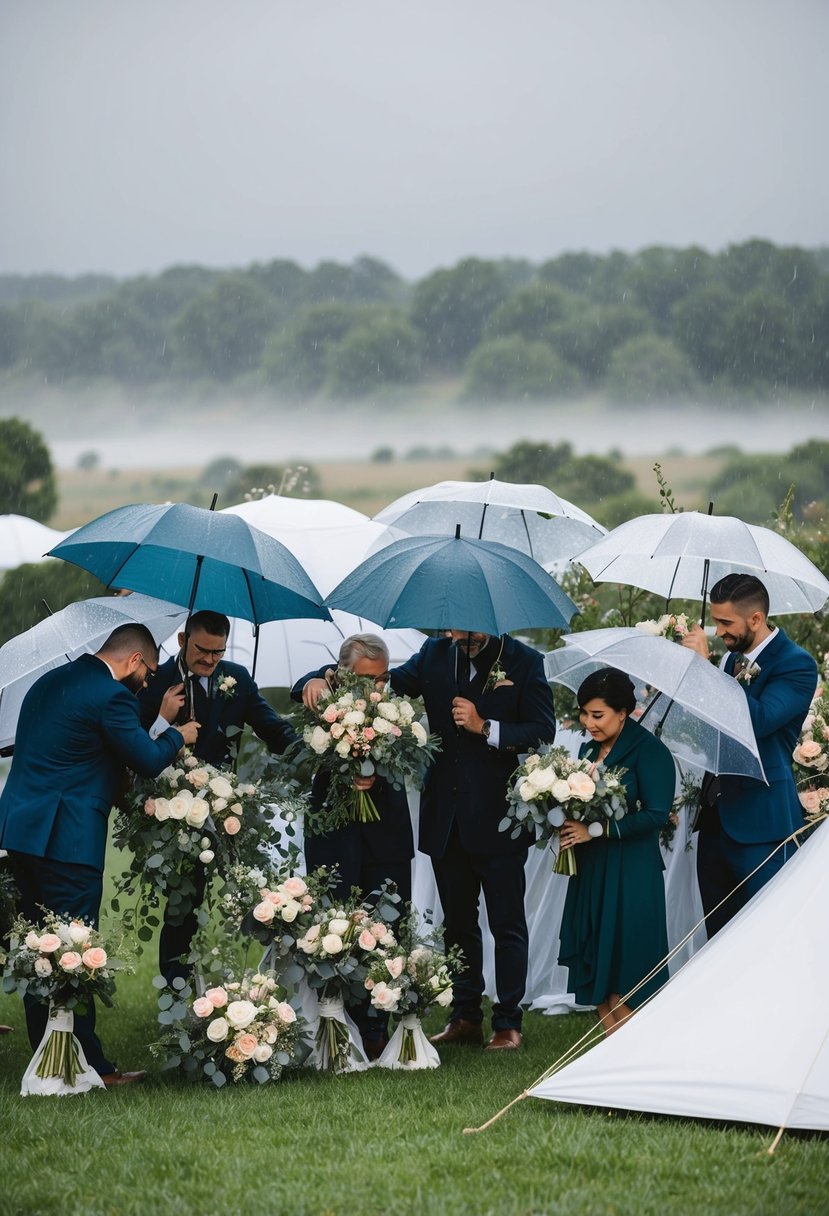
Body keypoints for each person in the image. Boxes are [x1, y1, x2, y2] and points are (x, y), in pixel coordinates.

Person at [313, 629, 557, 1051]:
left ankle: (507, 1022)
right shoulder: (434, 654)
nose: (451, 634)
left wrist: (486, 726)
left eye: (461, 627)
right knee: (458, 926)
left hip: (500, 820)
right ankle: (465, 1016)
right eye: (448, 626)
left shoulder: (525, 662)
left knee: (506, 925)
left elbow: (542, 730)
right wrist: (321, 676)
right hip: (446, 819)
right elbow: (379, 679)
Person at [0, 624, 197, 1085]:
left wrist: (111, 775)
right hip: (67, 838)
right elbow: (148, 758)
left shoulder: (46, 683)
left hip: (22, 832)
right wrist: (178, 733)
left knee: (39, 946)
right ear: (133, 660)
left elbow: (70, 752)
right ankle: (91, 1066)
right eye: (147, 671)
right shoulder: (112, 697)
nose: (147, 681)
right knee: (74, 950)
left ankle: (46, 1054)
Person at [139, 609, 297, 984]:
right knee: (182, 905)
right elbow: (134, 741)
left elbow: (271, 728)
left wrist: (311, 748)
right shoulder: (157, 678)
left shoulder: (236, 678)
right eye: (202, 650)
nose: (210, 660)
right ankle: (177, 987)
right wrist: (166, 723)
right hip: (171, 811)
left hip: (228, 809)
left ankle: (256, 980)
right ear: (182, 640)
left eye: (218, 652)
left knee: (249, 894)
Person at [291, 633, 414, 1057]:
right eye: (365, 679)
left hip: (388, 831)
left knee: (387, 924)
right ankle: (334, 1020)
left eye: (381, 678)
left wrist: (374, 772)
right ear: (343, 673)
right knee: (335, 924)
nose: (375, 688)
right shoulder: (323, 696)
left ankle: (377, 1024)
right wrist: (314, 679)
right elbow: (302, 694)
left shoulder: (397, 705)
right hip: (334, 829)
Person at [682, 573, 817, 936]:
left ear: (755, 619)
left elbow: (757, 722)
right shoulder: (729, 660)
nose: (719, 631)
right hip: (715, 822)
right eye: (715, 621)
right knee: (719, 938)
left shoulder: (797, 664)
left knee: (765, 936)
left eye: (726, 623)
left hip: (762, 825)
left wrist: (706, 671)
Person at [558, 667, 676, 1035]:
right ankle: (612, 1052)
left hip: (631, 873)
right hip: (592, 868)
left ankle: (638, 1055)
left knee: (628, 971)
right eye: (584, 713)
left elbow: (657, 815)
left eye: (597, 715)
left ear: (623, 713)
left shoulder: (652, 752)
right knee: (598, 967)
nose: (587, 722)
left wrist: (597, 829)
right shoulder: (588, 748)